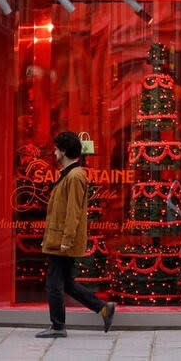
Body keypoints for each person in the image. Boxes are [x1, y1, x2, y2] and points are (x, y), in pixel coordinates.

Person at [36, 131, 116, 338]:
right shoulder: (70, 174)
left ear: (63, 151)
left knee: (54, 283)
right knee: (67, 283)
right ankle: (103, 308)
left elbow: (73, 212)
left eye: (56, 149)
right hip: (60, 238)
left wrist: (67, 240)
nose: (53, 153)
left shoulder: (75, 176)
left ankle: (58, 326)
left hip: (62, 240)